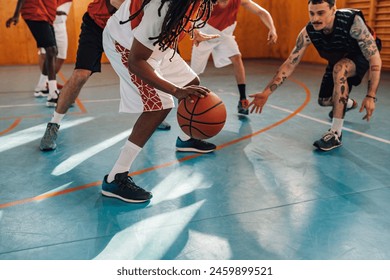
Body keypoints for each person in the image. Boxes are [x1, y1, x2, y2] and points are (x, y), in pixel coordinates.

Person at [100, 0, 218, 203]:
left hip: (153, 44)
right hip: (125, 43)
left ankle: (185, 139)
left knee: (192, 82)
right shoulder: (160, 6)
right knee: (160, 106)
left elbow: (181, 17)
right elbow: (136, 61)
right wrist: (176, 90)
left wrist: (192, 31)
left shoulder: (189, 3)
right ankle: (115, 177)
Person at [248, 0, 381, 151]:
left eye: (321, 13)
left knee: (340, 69)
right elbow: (290, 63)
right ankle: (347, 103)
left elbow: (374, 58)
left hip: (360, 54)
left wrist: (371, 95)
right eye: (311, 13)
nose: (315, 18)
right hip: (339, 55)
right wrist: (266, 92)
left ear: (333, 10)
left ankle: (335, 134)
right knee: (324, 101)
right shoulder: (309, 32)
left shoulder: (352, 23)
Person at [191, 0, 277, 115]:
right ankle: (188, 98)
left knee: (237, 58)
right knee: (193, 73)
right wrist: (193, 31)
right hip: (203, 34)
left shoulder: (239, 1)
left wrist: (272, 28)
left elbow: (261, 12)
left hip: (224, 35)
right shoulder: (206, 2)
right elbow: (188, 15)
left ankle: (242, 99)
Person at [6, 0, 59, 104]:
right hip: (34, 13)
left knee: (53, 52)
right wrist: (16, 15)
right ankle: (53, 93)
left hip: (46, 16)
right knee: (51, 50)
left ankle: (42, 87)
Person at [36, 0, 73, 98]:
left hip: (61, 23)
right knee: (46, 54)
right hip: (49, 23)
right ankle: (45, 85)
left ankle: (46, 83)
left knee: (61, 56)